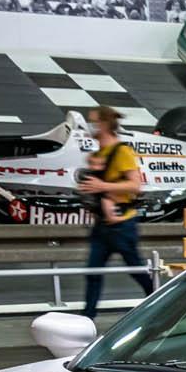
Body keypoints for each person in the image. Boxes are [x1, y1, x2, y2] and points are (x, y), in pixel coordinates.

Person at [76, 106, 156, 315]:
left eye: (93, 121)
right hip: (102, 226)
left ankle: (158, 303)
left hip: (122, 225)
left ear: (104, 124)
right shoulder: (97, 155)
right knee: (93, 272)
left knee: (136, 270)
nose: (90, 126)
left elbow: (135, 186)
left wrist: (102, 186)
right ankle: (87, 318)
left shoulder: (122, 152)